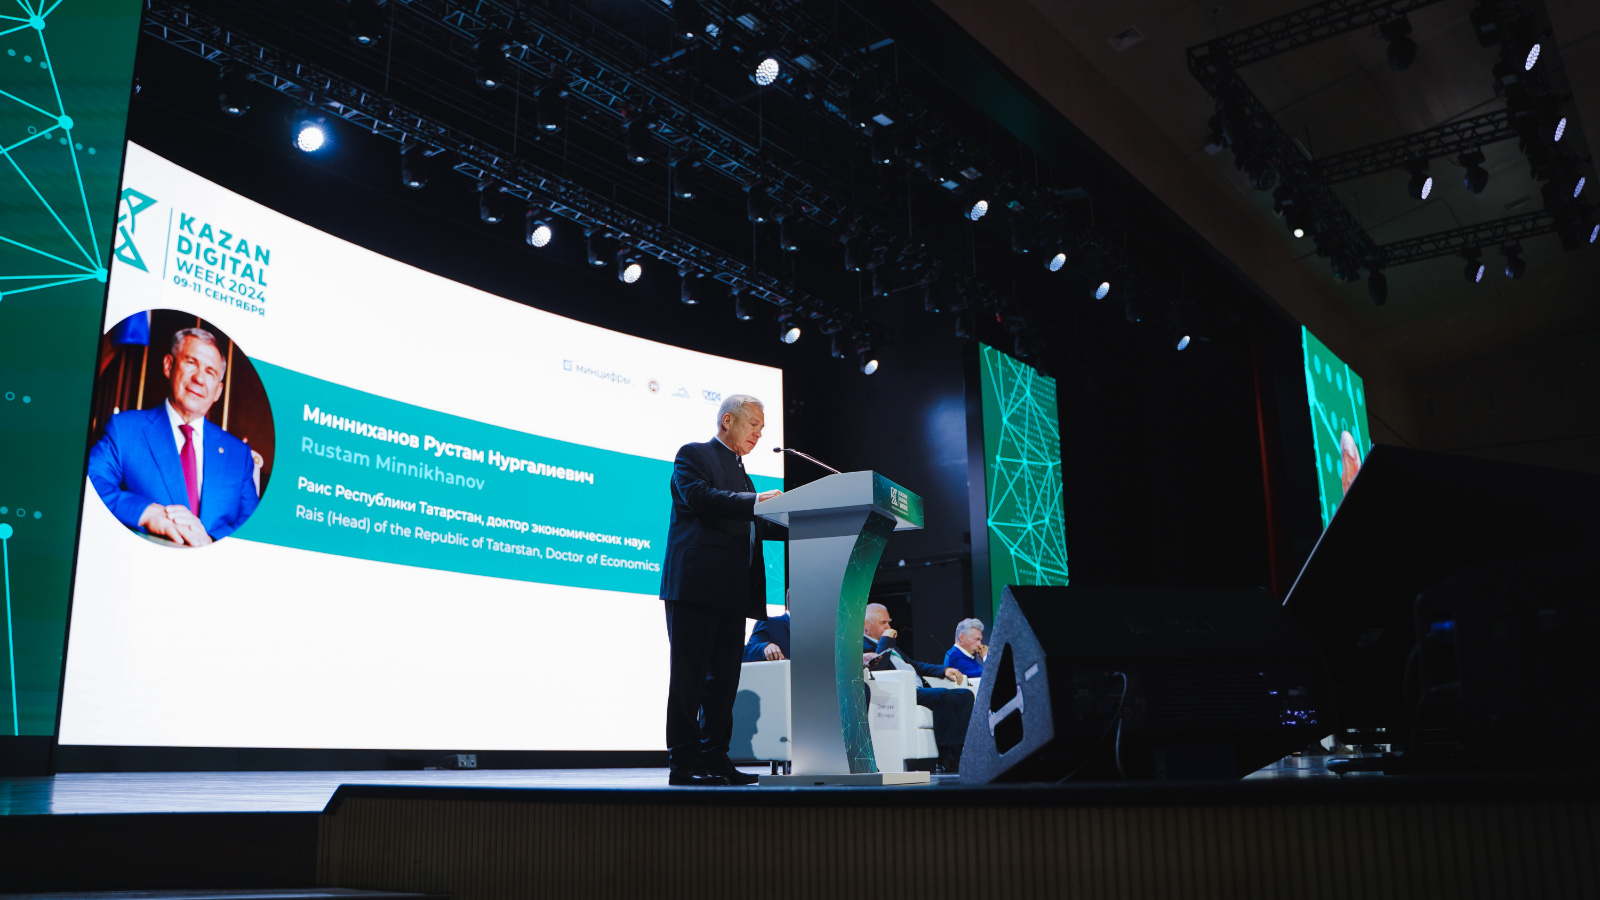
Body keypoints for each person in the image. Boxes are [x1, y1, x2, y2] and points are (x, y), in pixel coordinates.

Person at [659, 394, 784, 786]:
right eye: (754, 425)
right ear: (728, 420)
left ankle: (716, 758)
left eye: (762, 429)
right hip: (695, 587)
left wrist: (804, 523)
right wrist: (756, 501)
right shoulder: (693, 455)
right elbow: (700, 498)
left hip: (734, 591)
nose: (759, 435)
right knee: (690, 679)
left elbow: (753, 522)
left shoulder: (743, 475)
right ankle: (684, 764)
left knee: (724, 683)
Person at [87, 327, 260, 546]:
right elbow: (92, 482)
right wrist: (146, 513)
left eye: (210, 372)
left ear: (218, 391)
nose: (199, 378)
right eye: (191, 363)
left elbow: (252, 522)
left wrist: (210, 542)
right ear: (169, 366)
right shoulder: (124, 429)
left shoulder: (239, 454)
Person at [863, 603, 975, 772]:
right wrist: (886, 640)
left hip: (918, 688)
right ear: (867, 625)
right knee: (943, 696)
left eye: (889, 622)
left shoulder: (891, 646)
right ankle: (945, 755)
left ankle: (960, 751)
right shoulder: (865, 646)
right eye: (883, 623)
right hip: (903, 692)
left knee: (965, 695)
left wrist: (943, 670)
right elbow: (878, 667)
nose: (889, 627)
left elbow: (914, 664)